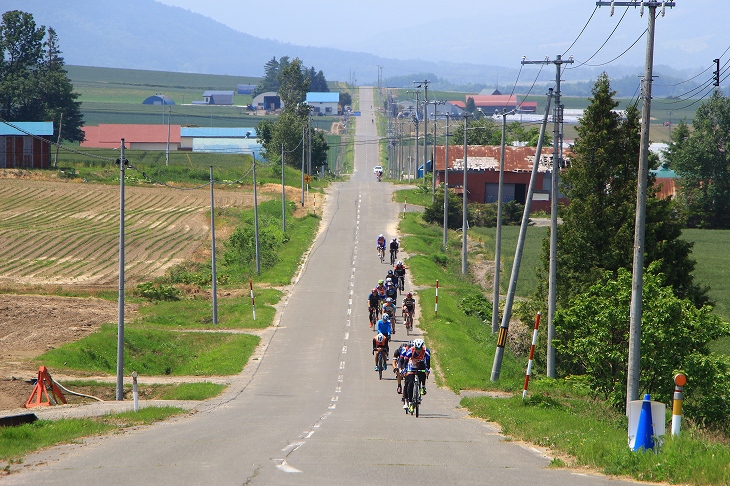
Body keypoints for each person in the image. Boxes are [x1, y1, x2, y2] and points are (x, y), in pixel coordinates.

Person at [402, 339, 431, 413]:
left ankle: (423, 387)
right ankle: (410, 402)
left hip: (420, 365)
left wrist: (427, 369)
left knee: (423, 371)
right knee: (410, 382)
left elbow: (428, 363)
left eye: (420, 349)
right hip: (411, 366)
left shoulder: (426, 351)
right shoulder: (410, 351)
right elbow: (405, 362)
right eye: (417, 349)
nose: (418, 350)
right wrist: (404, 370)